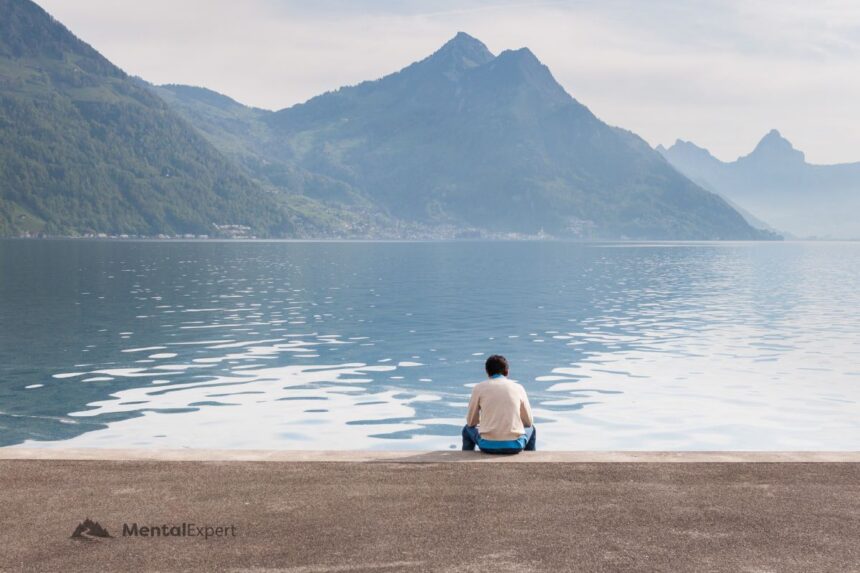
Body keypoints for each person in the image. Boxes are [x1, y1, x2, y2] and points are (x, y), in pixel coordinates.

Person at [462, 354, 536, 454]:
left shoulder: (478, 388)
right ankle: (530, 459)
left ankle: (466, 458)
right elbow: (528, 422)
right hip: (515, 445)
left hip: (486, 445)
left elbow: (471, 422)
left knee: (467, 429)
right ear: (507, 371)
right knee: (532, 428)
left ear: (487, 371)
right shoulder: (518, 388)